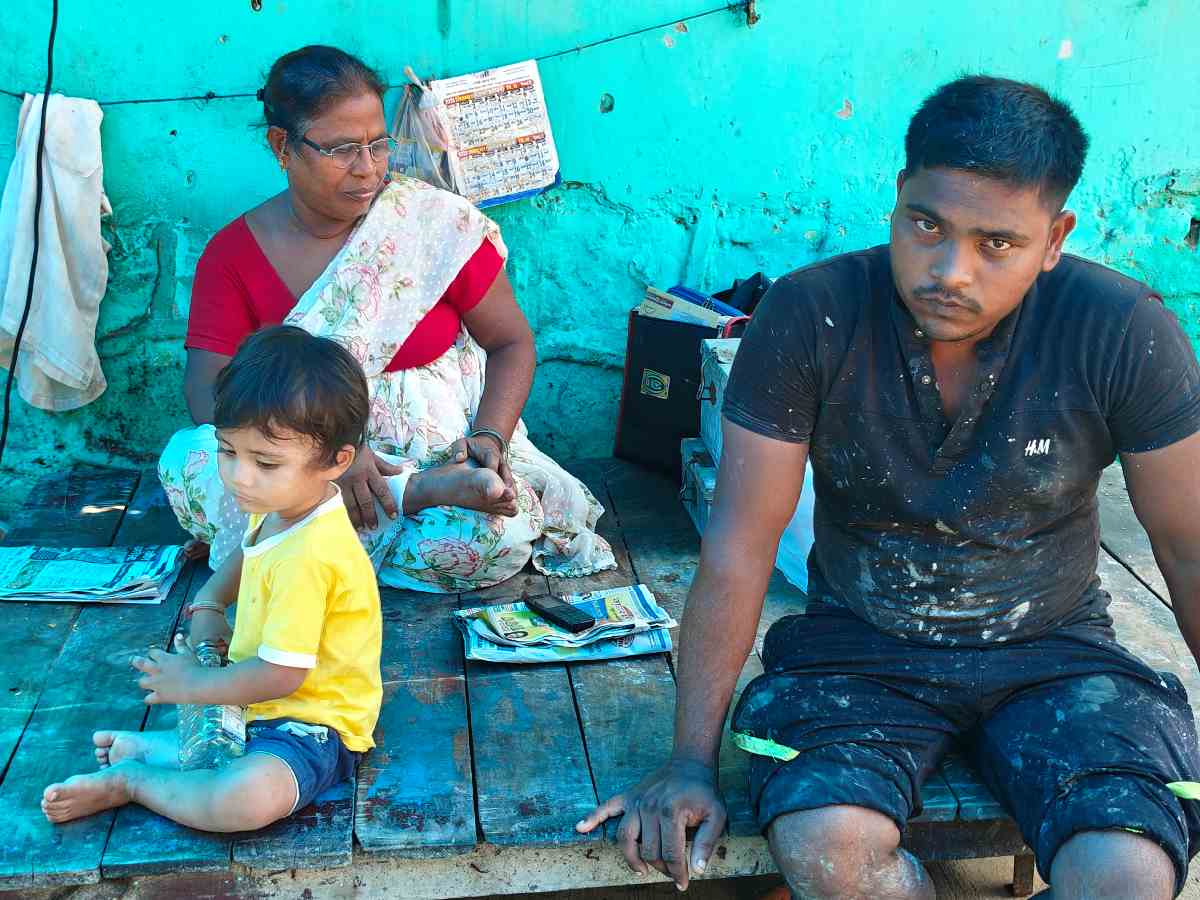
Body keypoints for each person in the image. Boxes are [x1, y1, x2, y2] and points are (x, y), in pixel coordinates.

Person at [578, 75, 1200, 899]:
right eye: (927, 224)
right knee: (829, 854)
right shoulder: (809, 314)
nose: (950, 270)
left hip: (1057, 652)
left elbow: (1189, 548)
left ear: (1055, 238)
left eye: (998, 244)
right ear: (899, 196)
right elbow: (739, 544)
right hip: (858, 650)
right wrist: (690, 761)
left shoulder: (1120, 329)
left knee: (1127, 872)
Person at [158, 45, 615, 592]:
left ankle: (316, 548)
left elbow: (511, 341)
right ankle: (413, 496)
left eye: (378, 144)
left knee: (493, 532)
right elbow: (207, 390)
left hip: (435, 448)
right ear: (283, 146)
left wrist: (491, 434)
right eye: (342, 149)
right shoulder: (233, 255)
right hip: (298, 456)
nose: (368, 167)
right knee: (192, 468)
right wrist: (322, 453)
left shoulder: (434, 226)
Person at [42, 326, 382, 830]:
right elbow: (246, 557)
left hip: (312, 722)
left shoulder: (312, 554)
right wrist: (209, 601)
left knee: (242, 801)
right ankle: (175, 749)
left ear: (337, 462)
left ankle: (135, 781)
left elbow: (284, 676)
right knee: (227, 737)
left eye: (265, 461)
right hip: (254, 700)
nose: (240, 476)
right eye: (228, 451)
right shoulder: (282, 504)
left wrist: (199, 684)